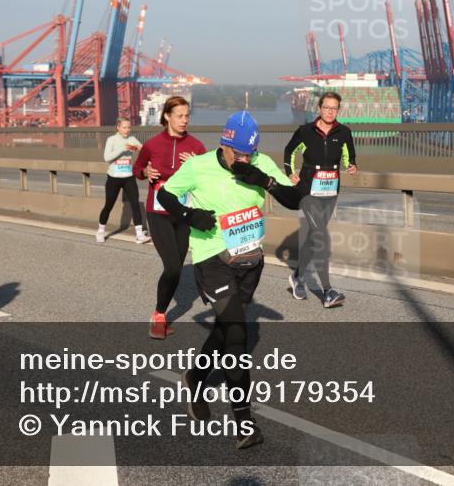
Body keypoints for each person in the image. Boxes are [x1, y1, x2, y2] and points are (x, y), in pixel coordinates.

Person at [156, 110, 302, 450]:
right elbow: (165, 195)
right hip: (212, 260)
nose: (244, 158)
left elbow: (294, 200)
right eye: (239, 153)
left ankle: (195, 377)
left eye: (250, 152)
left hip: (250, 260)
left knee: (224, 329)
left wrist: (262, 178)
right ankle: (245, 423)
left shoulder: (260, 163)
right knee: (236, 334)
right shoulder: (199, 167)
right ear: (225, 144)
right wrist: (189, 215)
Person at [132, 96, 206, 340]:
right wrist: (145, 171)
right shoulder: (152, 144)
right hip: (159, 212)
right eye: (179, 116)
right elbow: (137, 170)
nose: (184, 120)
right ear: (167, 117)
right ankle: (160, 315)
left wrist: (197, 165)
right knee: (173, 266)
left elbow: (209, 175)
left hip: (184, 213)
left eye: (187, 116)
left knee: (174, 269)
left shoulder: (196, 146)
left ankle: (159, 314)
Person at [283, 91, 357, 308]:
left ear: (338, 110)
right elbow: (289, 151)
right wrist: (290, 172)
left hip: (331, 190)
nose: (330, 112)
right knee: (321, 235)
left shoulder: (344, 132)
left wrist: (351, 164)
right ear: (319, 108)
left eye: (334, 108)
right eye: (326, 108)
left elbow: (349, 154)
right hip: (308, 190)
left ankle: (297, 277)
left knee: (315, 237)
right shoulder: (305, 131)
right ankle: (327, 291)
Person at [96, 118, 148, 244]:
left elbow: (143, 149)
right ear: (118, 128)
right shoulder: (111, 140)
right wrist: (122, 150)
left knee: (135, 204)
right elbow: (107, 158)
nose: (127, 130)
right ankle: (100, 231)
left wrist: (135, 148)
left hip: (128, 177)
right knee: (109, 205)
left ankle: (139, 235)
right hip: (114, 178)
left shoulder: (132, 139)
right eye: (124, 127)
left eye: (129, 127)